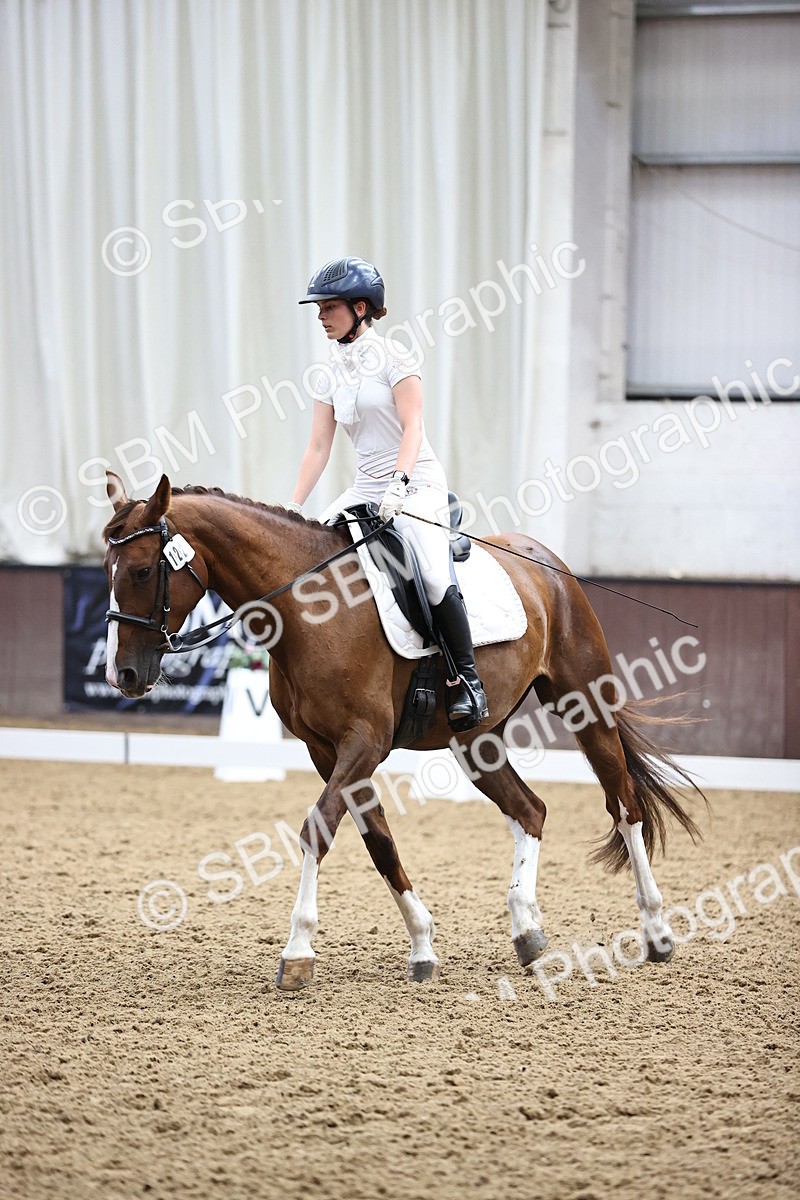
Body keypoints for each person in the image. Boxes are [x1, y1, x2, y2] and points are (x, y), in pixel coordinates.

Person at [289, 255, 488, 729]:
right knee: (315, 556)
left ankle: (468, 680)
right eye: (318, 309)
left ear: (360, 308)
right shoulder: (327, 373)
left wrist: (400, 483)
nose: (320, 316)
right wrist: (293, 506)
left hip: (415, 483)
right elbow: (319, 446)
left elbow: (413, 425)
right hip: (364, 487)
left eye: (328, 307)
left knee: (435, 577)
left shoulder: (397, 356)